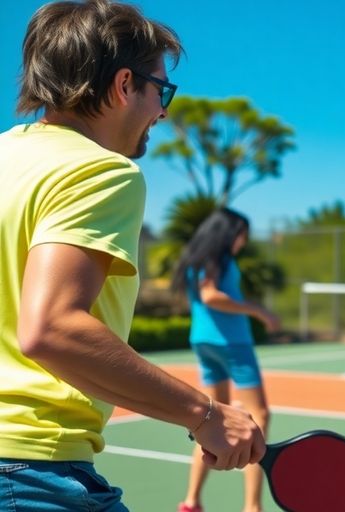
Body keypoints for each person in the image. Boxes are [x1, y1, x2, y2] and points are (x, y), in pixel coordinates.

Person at [0, 1, 265, 510]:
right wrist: (205, 414)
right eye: (161, 90)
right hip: (32, 472)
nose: (163, 111)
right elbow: (51, 327)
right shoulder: (101, 171)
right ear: (125, 85)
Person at [172, 208, 280, 512]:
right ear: (229, 232)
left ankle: (191, 501)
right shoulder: (218, 259)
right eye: (242, 234)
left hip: (203, 341)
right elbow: (211, 296)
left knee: (209, 418)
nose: (243, 242)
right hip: (232, 342)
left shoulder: (197, 257)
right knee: (260, 417)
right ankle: (253, 507)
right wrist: (258, 310)